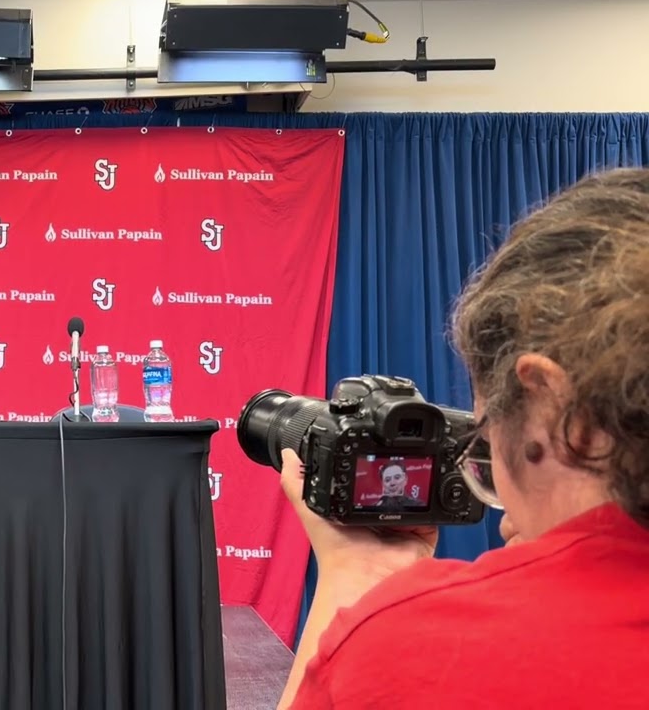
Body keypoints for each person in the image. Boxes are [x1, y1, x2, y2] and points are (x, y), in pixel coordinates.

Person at [278, 167, 649, 709]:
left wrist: (355, 577)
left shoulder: (413, 648)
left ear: (556, 410)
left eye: (487, 438)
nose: (505, 519)